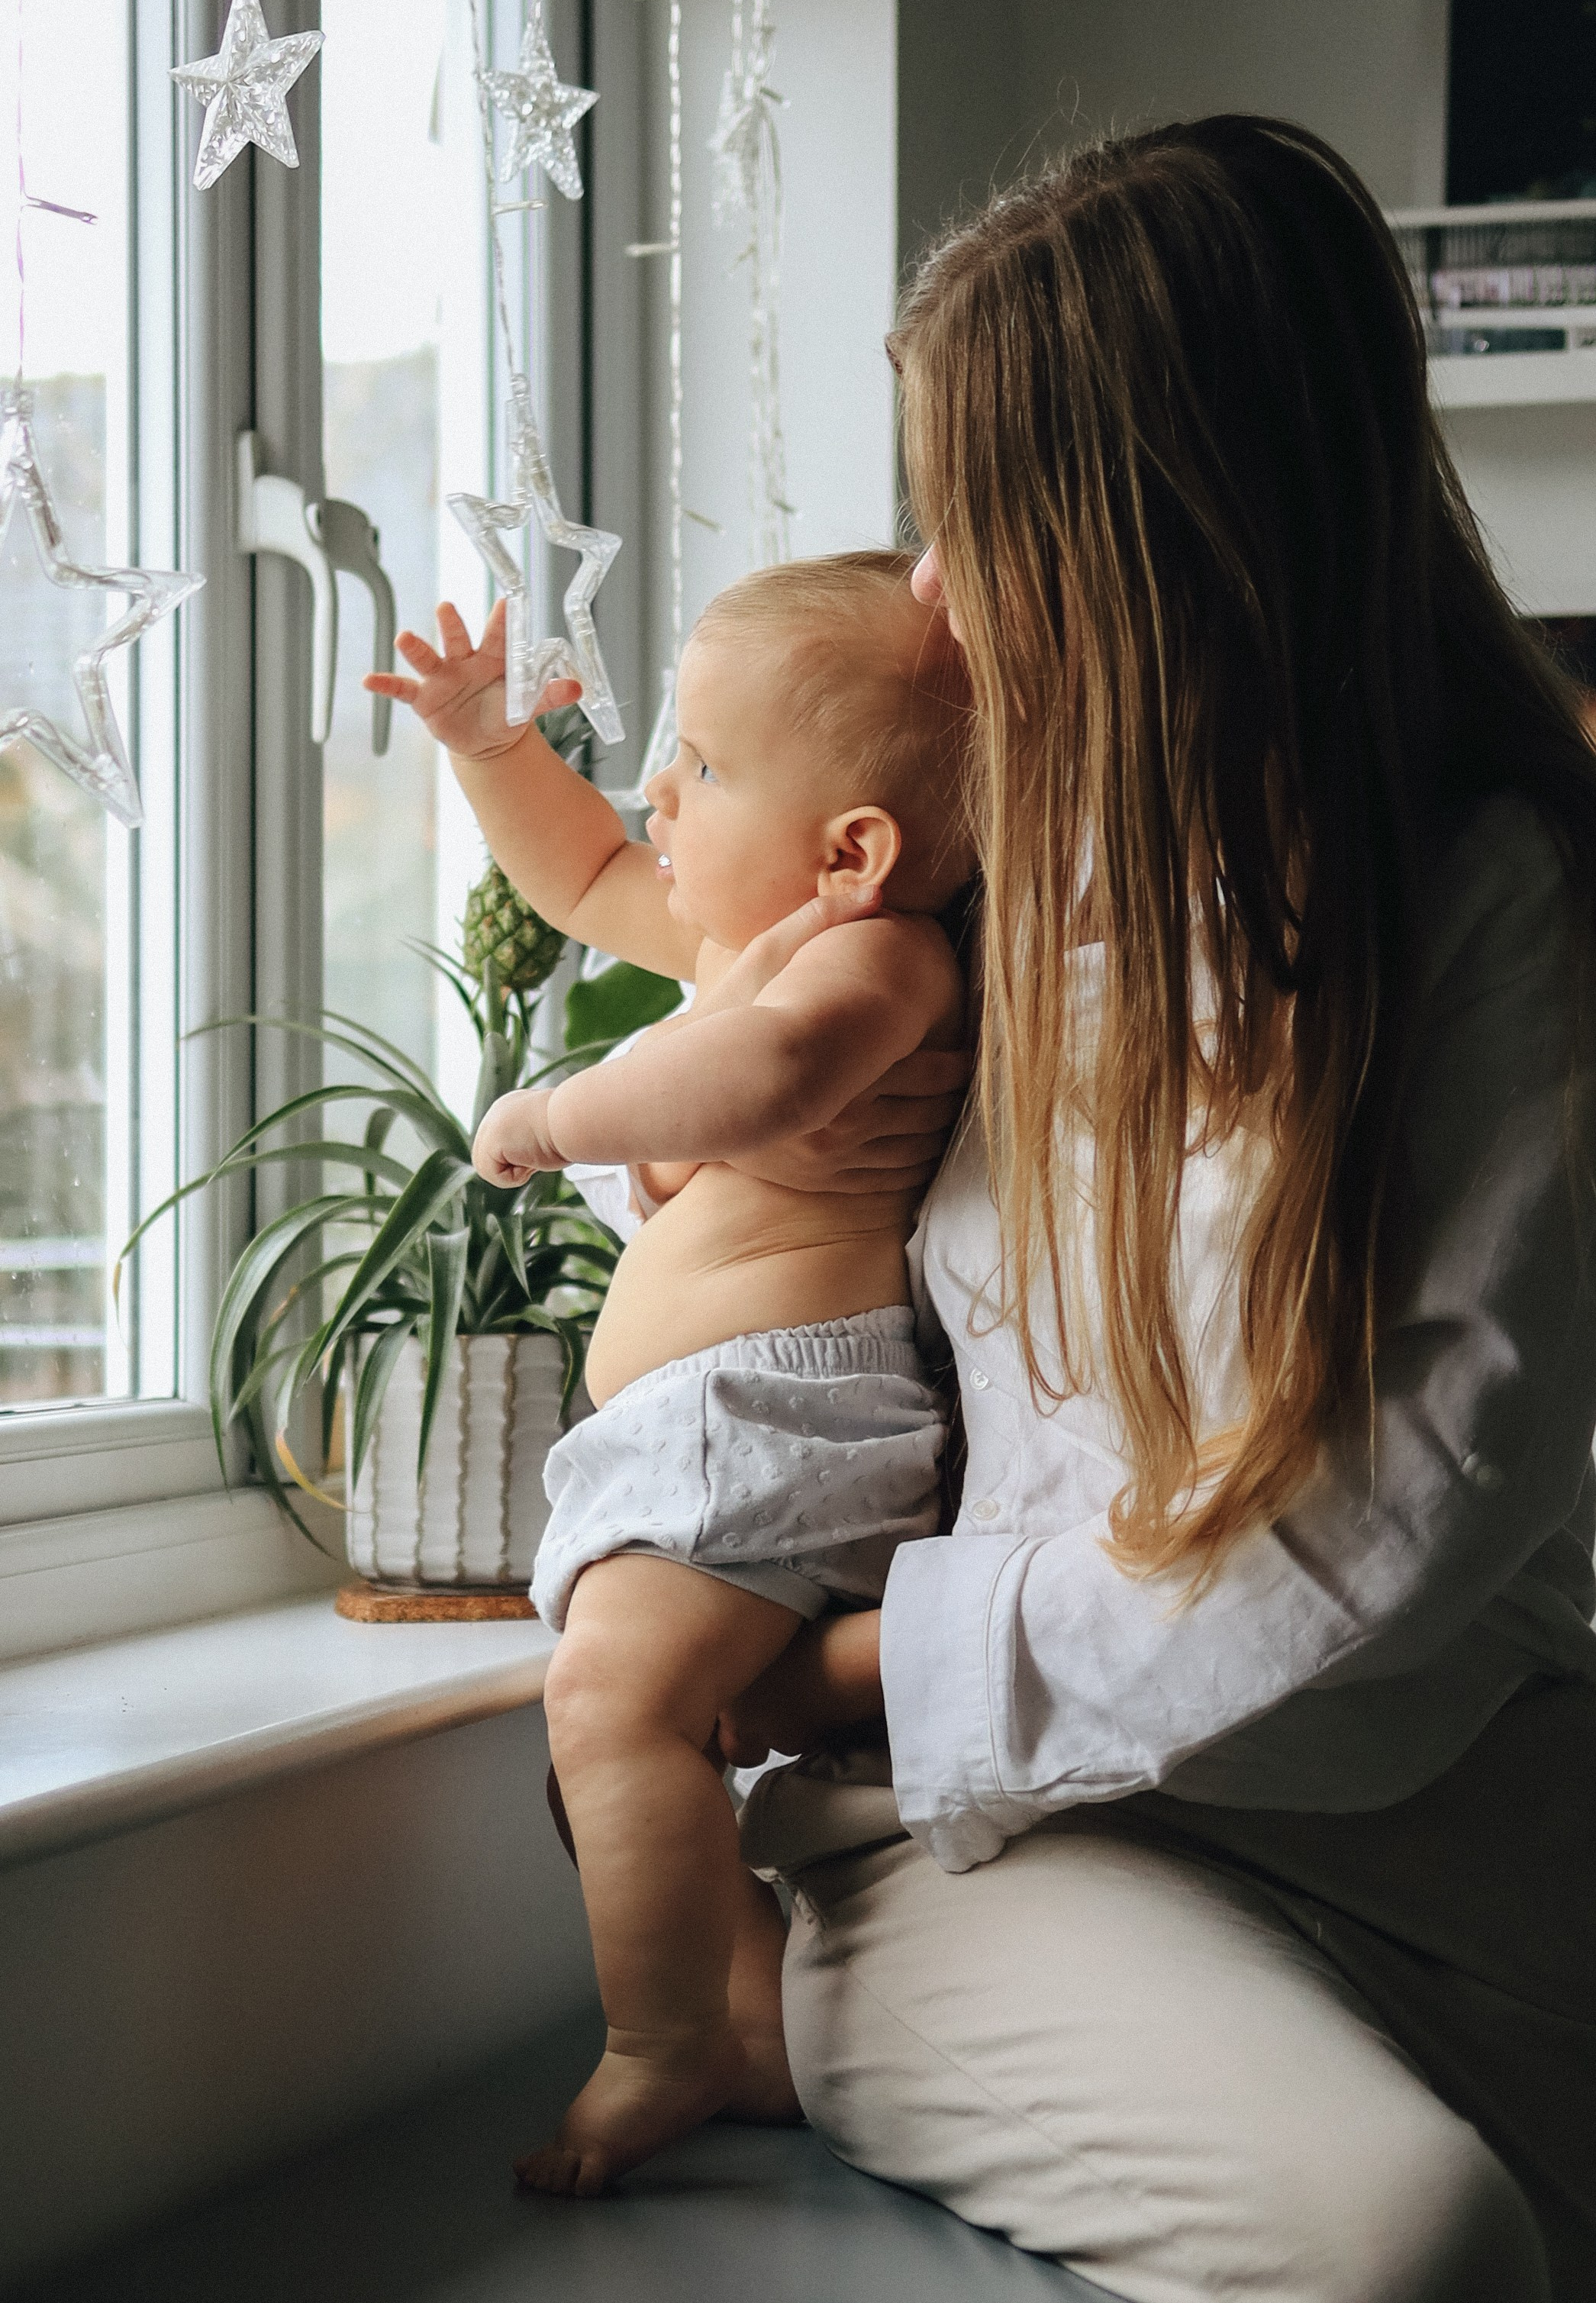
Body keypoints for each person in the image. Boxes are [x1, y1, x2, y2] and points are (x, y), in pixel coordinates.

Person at [688, 120, 1593, 2303]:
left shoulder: (1492, 896)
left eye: (962, 517)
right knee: (1416, 2242)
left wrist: (840, 1663)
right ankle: (796, 2016)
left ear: (1139, 530)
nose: (923, 592)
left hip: (1400, 1762)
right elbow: (694, 1023)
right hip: (986, 1821)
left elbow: (1374, 1532)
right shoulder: (966, 887)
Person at [366, 553, 972, 2196]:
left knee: (608, 1704)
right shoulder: (742, 937)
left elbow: (764, 1077)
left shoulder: (879, 962)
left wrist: (555, 1117)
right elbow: (582, 877)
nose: (657, 789)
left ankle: (659, 2043)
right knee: (639, 1752)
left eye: (701, 764)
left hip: (774, 1411)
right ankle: (754, 2035)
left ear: (852, 850)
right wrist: (491, 749)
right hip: (700, 1438)